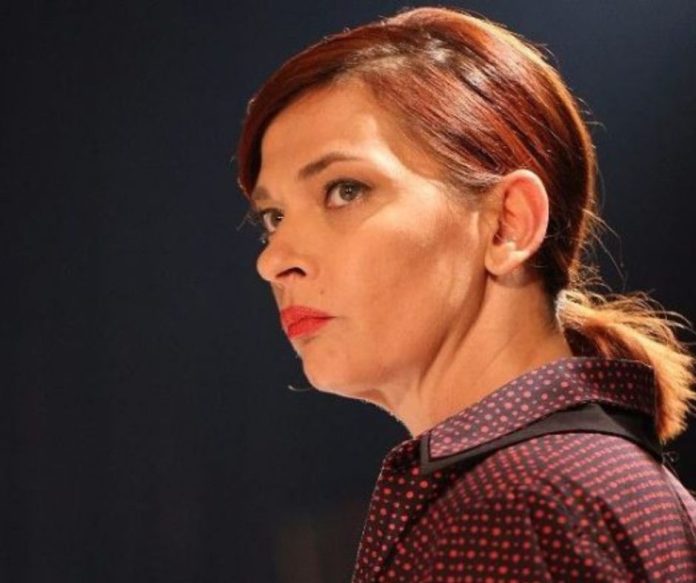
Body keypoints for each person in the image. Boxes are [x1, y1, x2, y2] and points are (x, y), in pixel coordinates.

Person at [235, 6, 696, 581]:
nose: (273, 260)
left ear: (508, 224)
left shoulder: (514, 508)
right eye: (273, 217)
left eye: (345, 190)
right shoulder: (594, 480)